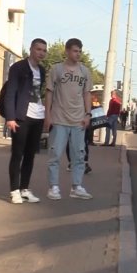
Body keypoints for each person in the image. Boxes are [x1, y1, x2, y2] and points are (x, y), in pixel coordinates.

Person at [44, 38, 93, 200]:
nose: (77, 54)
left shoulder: (85, 72)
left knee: (79, 155)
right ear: (66, 51)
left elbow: (87, 94)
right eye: (74, 50)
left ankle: (77, 186)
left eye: (79, 51)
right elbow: (49, 92)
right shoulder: (56, 70)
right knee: (55, 154)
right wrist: (48, 115)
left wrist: (88, 114)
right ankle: (53, 187)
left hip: (78, 120)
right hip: (59, 119)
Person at [4, 38, 48, 204]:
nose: (41, 53)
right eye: (38, 49)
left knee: (30, 155)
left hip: (37, 115)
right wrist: (10, 117)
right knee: (17, 154)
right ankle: (14, 190)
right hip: (21, 116)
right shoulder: (18, 68)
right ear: (31, 49)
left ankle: (25, 189)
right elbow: (11, 92)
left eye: (44, 50)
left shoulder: (42, 70)